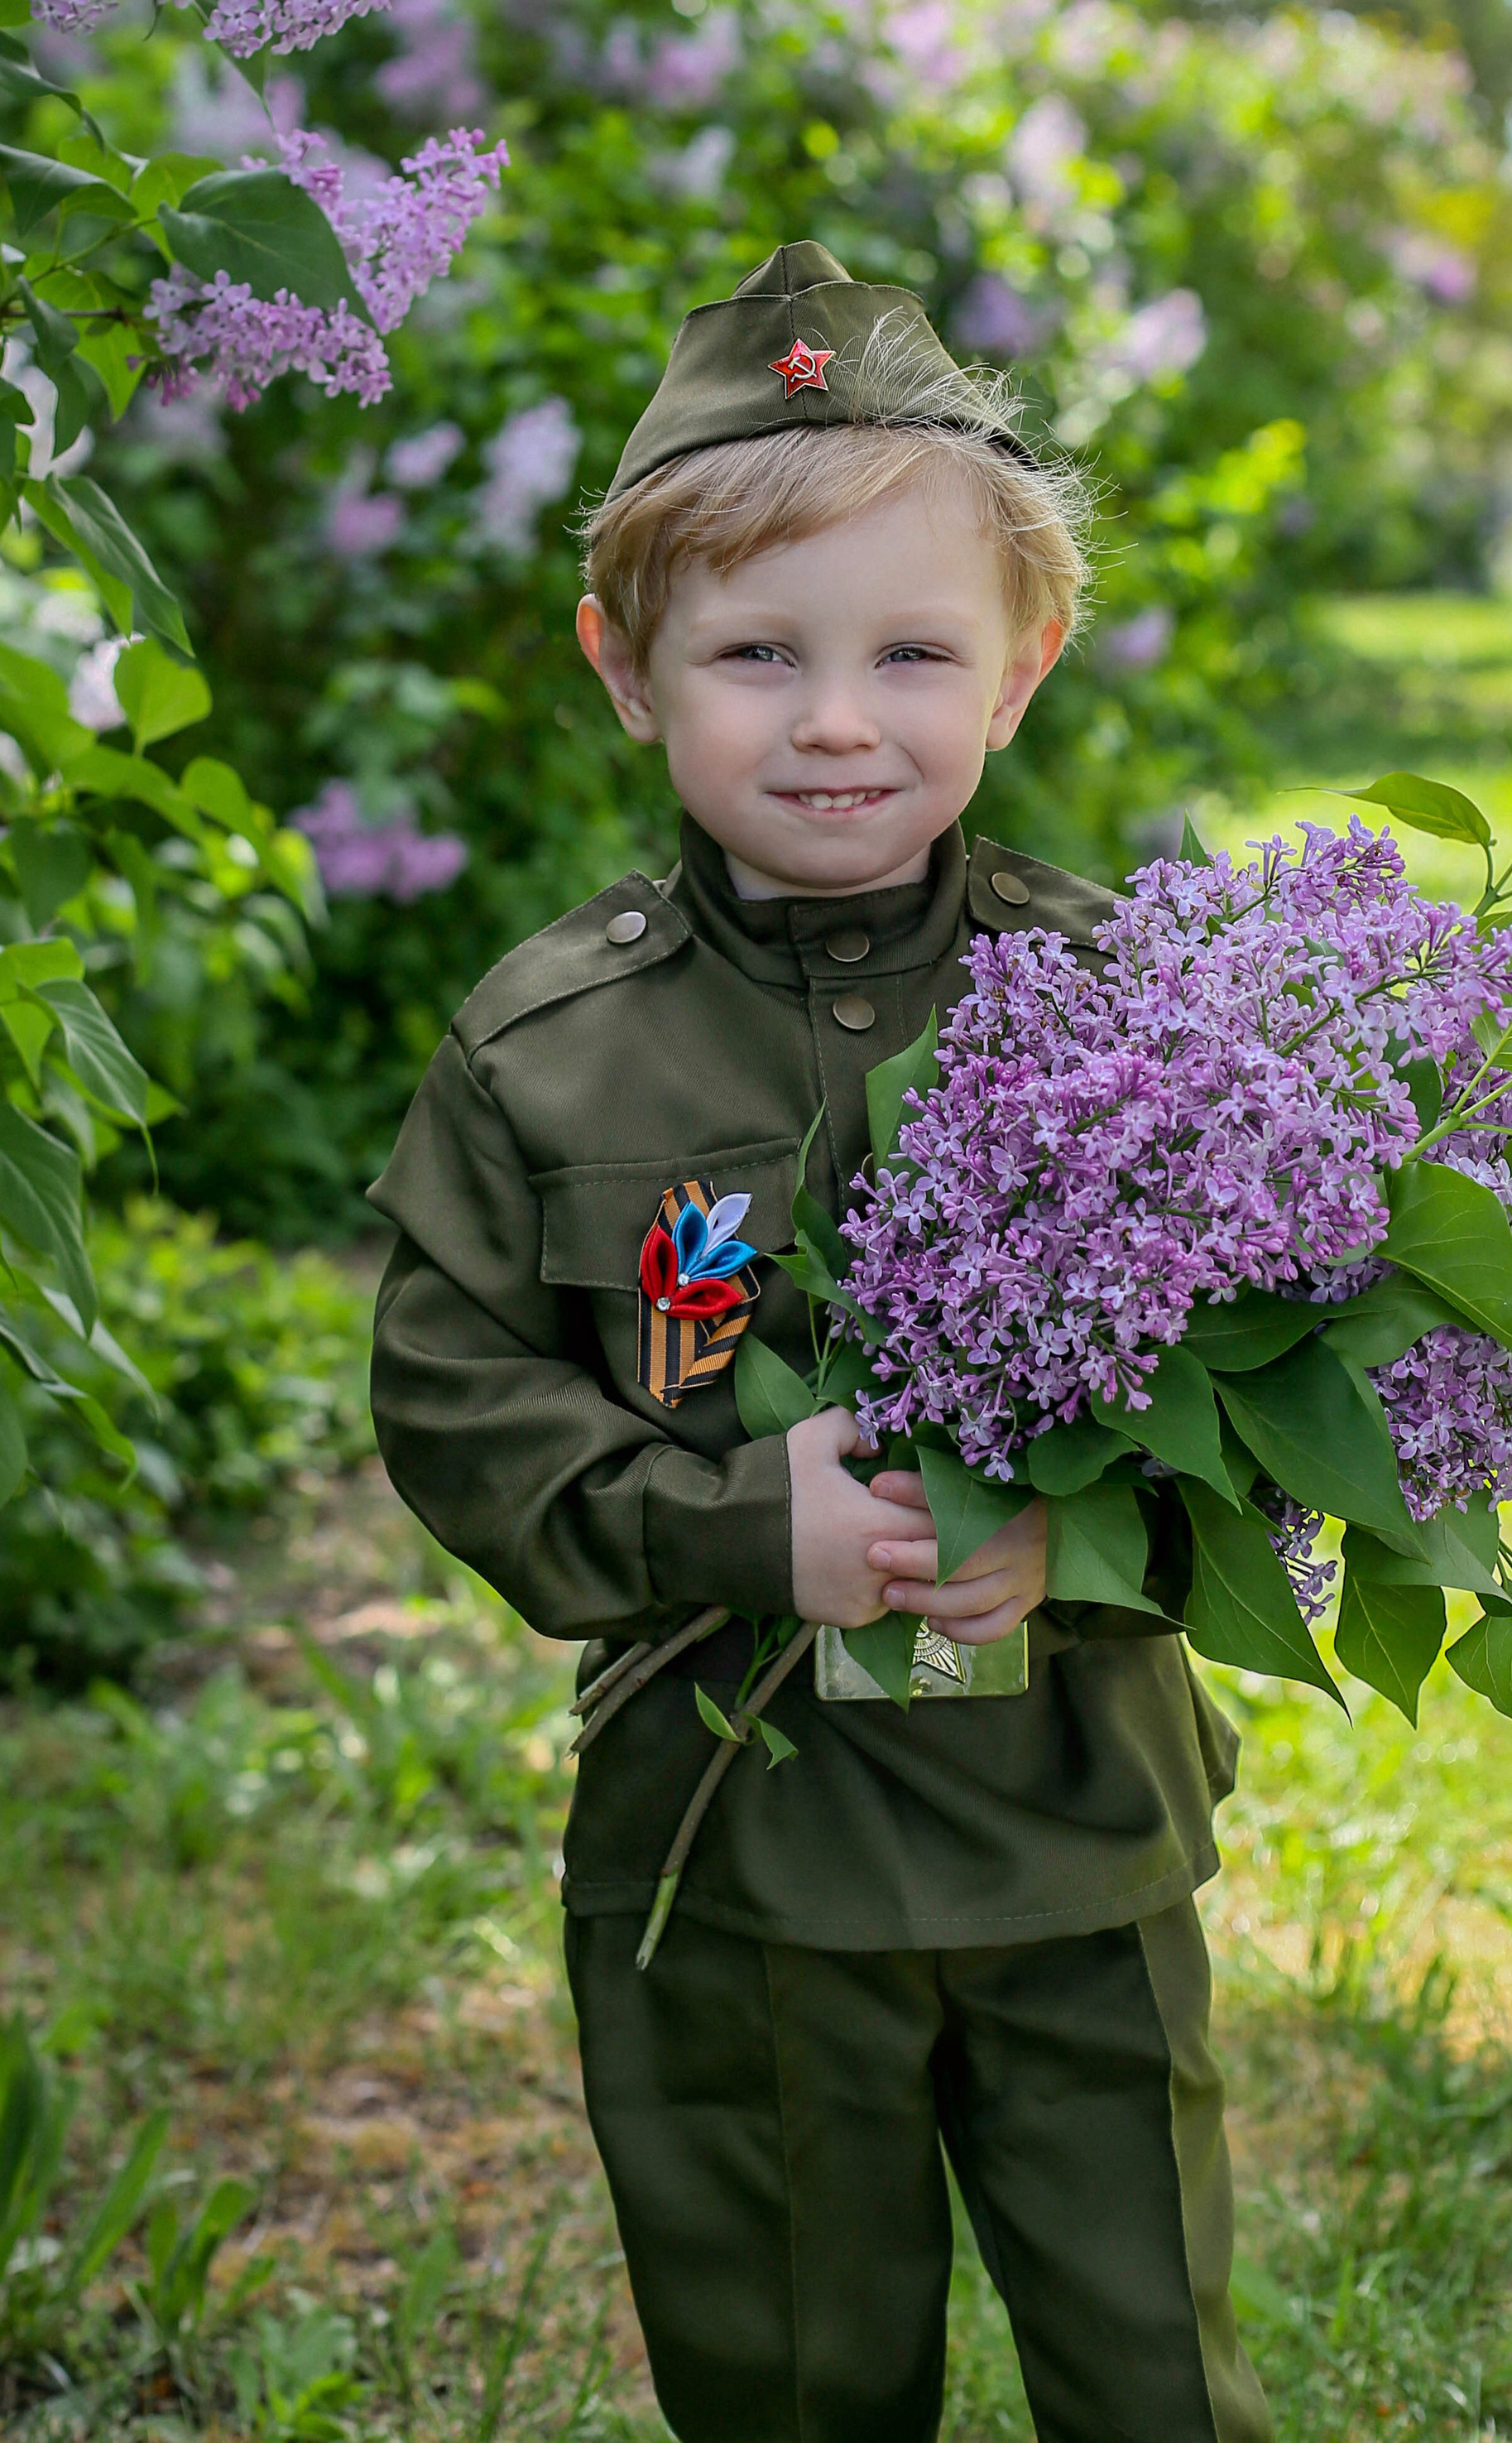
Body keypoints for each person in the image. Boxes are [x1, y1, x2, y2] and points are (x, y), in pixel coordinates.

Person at [367, 242, 1272, 2443]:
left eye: (910, 653)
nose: (837, 716)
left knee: (1152, 2367)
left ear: (1026, 662)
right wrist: (718, 1521)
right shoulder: (548, 1056)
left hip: (1073, 1834)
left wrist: (1098, 1541)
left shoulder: (1143, 1012)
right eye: (757, 653)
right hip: (733, 1867)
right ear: (626, 669)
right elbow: (460, 1404)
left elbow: (1283, 1377)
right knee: (785, 2377)